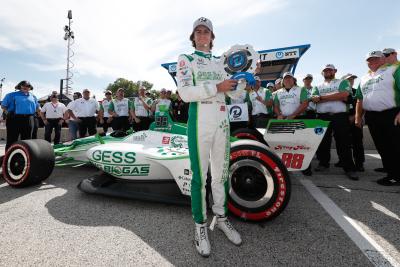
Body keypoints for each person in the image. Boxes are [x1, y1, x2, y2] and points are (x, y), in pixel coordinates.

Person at [176, 17, 242, 257]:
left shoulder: (221, 62)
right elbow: (184, 93)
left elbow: (234, 94)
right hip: (199, 122)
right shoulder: (186, 59)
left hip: (222, 122)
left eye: (207, 32)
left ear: (212, 37)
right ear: (193, 36)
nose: (202, 35)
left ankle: (222, 217)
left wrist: (244, 82)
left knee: (221, 174)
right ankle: (200, 225)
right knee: (199, 176)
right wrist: (217, 87)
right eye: (198, 31)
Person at [355, 51, 400, 186]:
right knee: (381, 146)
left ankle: (396, 176)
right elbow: (359, 98)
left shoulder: (394, 70)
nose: (372, 62)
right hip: (372, 116)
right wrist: (358, 116)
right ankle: (391, 172)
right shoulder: (364, 78)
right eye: (369, 60)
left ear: (383, 59)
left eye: (376, 59)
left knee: (395, 146)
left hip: (391, 114)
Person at [311, 64, 358, 180]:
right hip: (322, 116)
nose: (327, 72)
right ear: (322, 73)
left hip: (340, 116)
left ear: (334, 71)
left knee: (343, 142)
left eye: (329, 70)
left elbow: (344, 94)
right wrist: (335, 96)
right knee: (323, 142)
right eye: (325, 71)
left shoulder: (342, 82)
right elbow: (313, 98)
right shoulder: (318, 85)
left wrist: (322, 98)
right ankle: (323, 164)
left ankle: (349, 168)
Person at [334, 73, 365, 172]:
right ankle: (342, 160)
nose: (351, 81)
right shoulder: (338, 92)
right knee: (340, 141)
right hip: (342, 120)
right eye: (348, 79)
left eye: (352, 79)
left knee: (357, 142)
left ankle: (359, 163)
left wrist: (356, 116)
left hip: (355, 120)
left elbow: (362, 105)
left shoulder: (357, 91)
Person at [1, 81, 40, 150]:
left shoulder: (33, 96)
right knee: (12, 139)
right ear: (20, 86)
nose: (25, 87)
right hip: (14, 119)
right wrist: (8, 113)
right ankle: (8, 158)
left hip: (29, 119)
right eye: (23, 85)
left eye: (28, 86)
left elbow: (37, 108)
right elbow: (3, 106)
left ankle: (24, 157)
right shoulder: (11, 95)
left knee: (27, 140)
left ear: (30, 88)